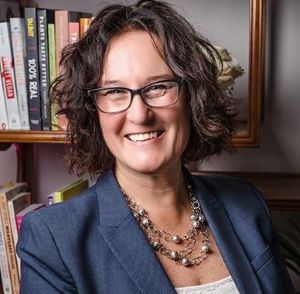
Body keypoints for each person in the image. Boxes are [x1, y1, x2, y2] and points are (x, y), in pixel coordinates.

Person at [17, 1, 295, 293]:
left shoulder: (246, 203)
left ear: (192, 97)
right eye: (114, 91)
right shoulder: (52, 238)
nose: (140, 115)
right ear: (92, 111)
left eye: (158, 87)